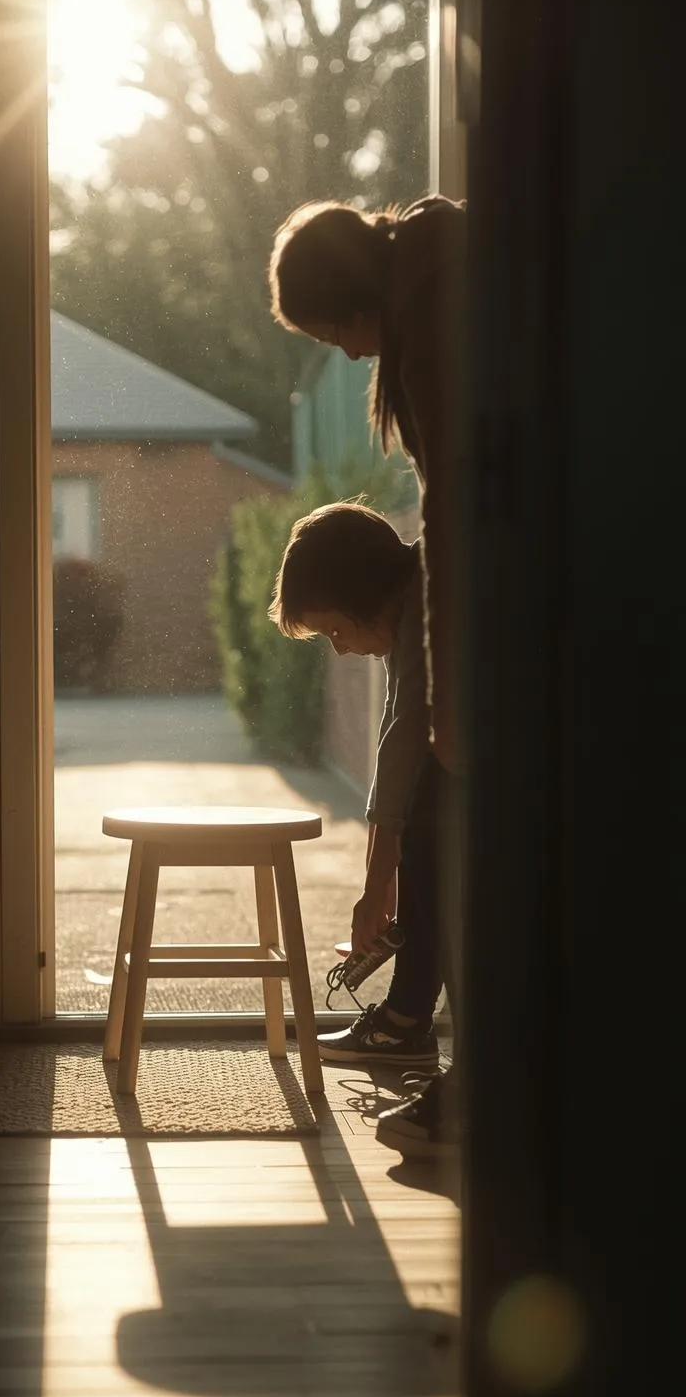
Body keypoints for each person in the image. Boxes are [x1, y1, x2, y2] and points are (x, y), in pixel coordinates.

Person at [268, 194, 466, 1156]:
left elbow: (403, 741)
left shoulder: (439, 322)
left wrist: (378, 880)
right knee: (439, 841)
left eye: (336, 330)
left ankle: (468, 1068)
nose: (346, 355)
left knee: (441, 843)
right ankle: (435, 1040)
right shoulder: (436, 295)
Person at [269, 500, 447, 1073]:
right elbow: (398, 730)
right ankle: (404, 1020)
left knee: (429, 823)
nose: (341, 648)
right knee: (422, 819)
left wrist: (377, 886)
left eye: (337, 630)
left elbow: (405, 737)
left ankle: (404, 1023)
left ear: (369, 597)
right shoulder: (417, 593)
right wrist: (380, 876)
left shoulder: (428, 609)